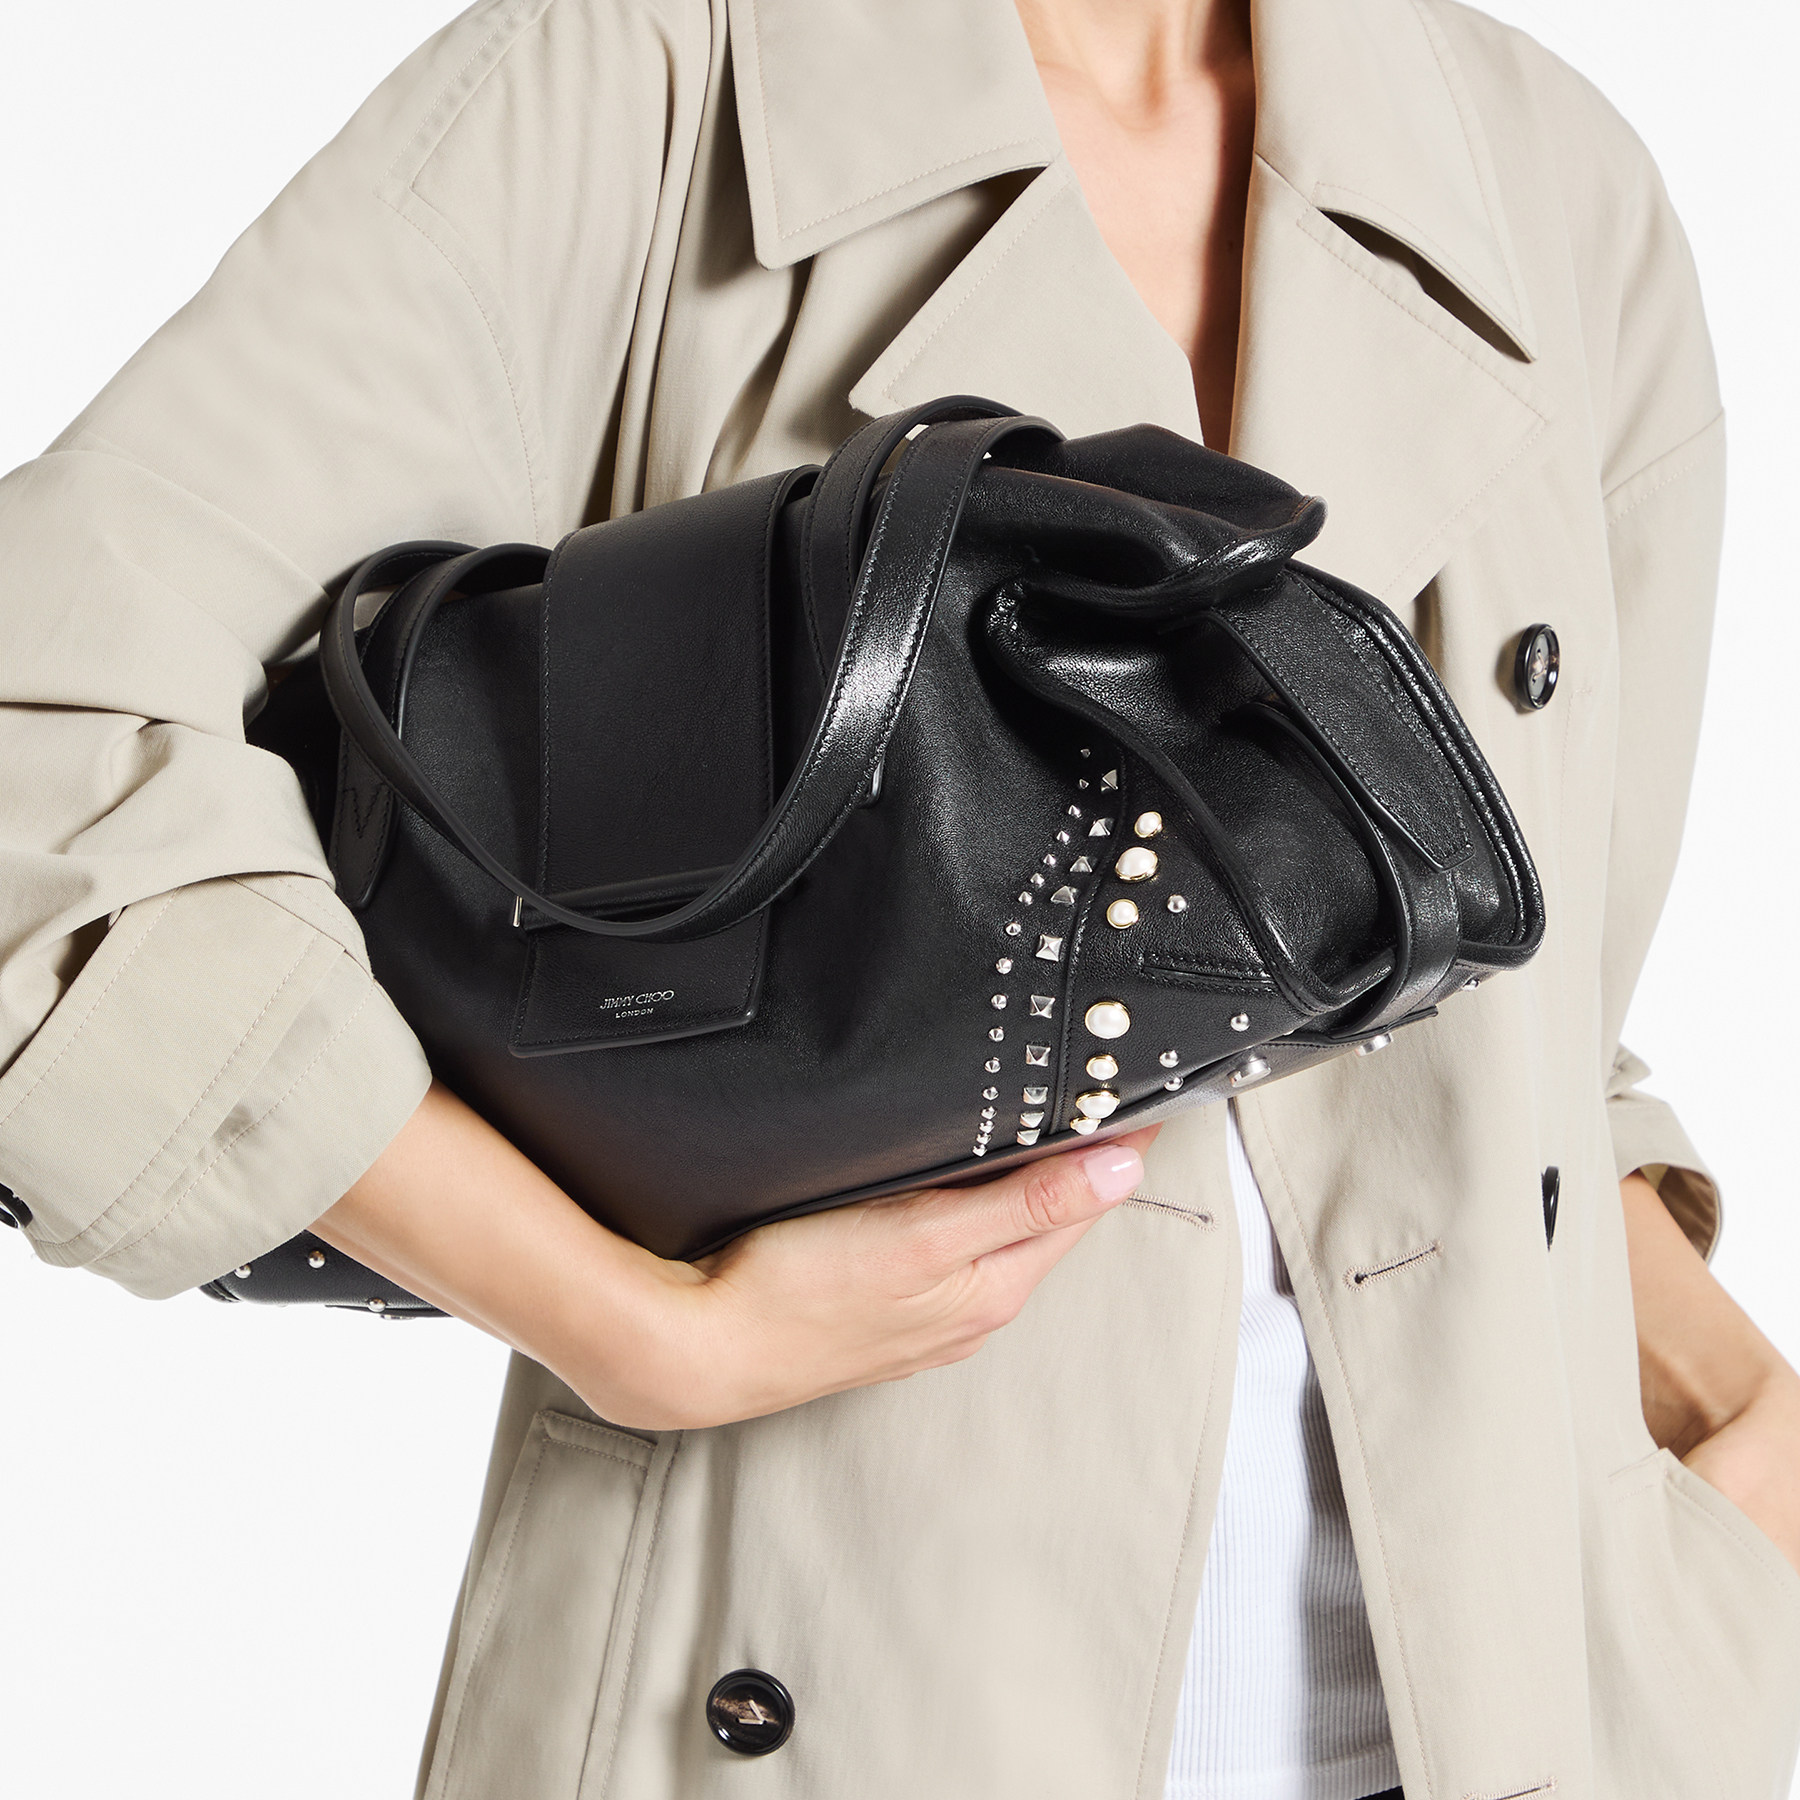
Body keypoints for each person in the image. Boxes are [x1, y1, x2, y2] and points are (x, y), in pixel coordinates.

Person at [1, 0, 1797, 1795]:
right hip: (838, 1696)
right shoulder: (650, 87)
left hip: (1547, 1711)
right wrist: (632, 1330)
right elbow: (38, 754)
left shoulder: (1539, 176)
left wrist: (1729, 1398)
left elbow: (1525, 1026)